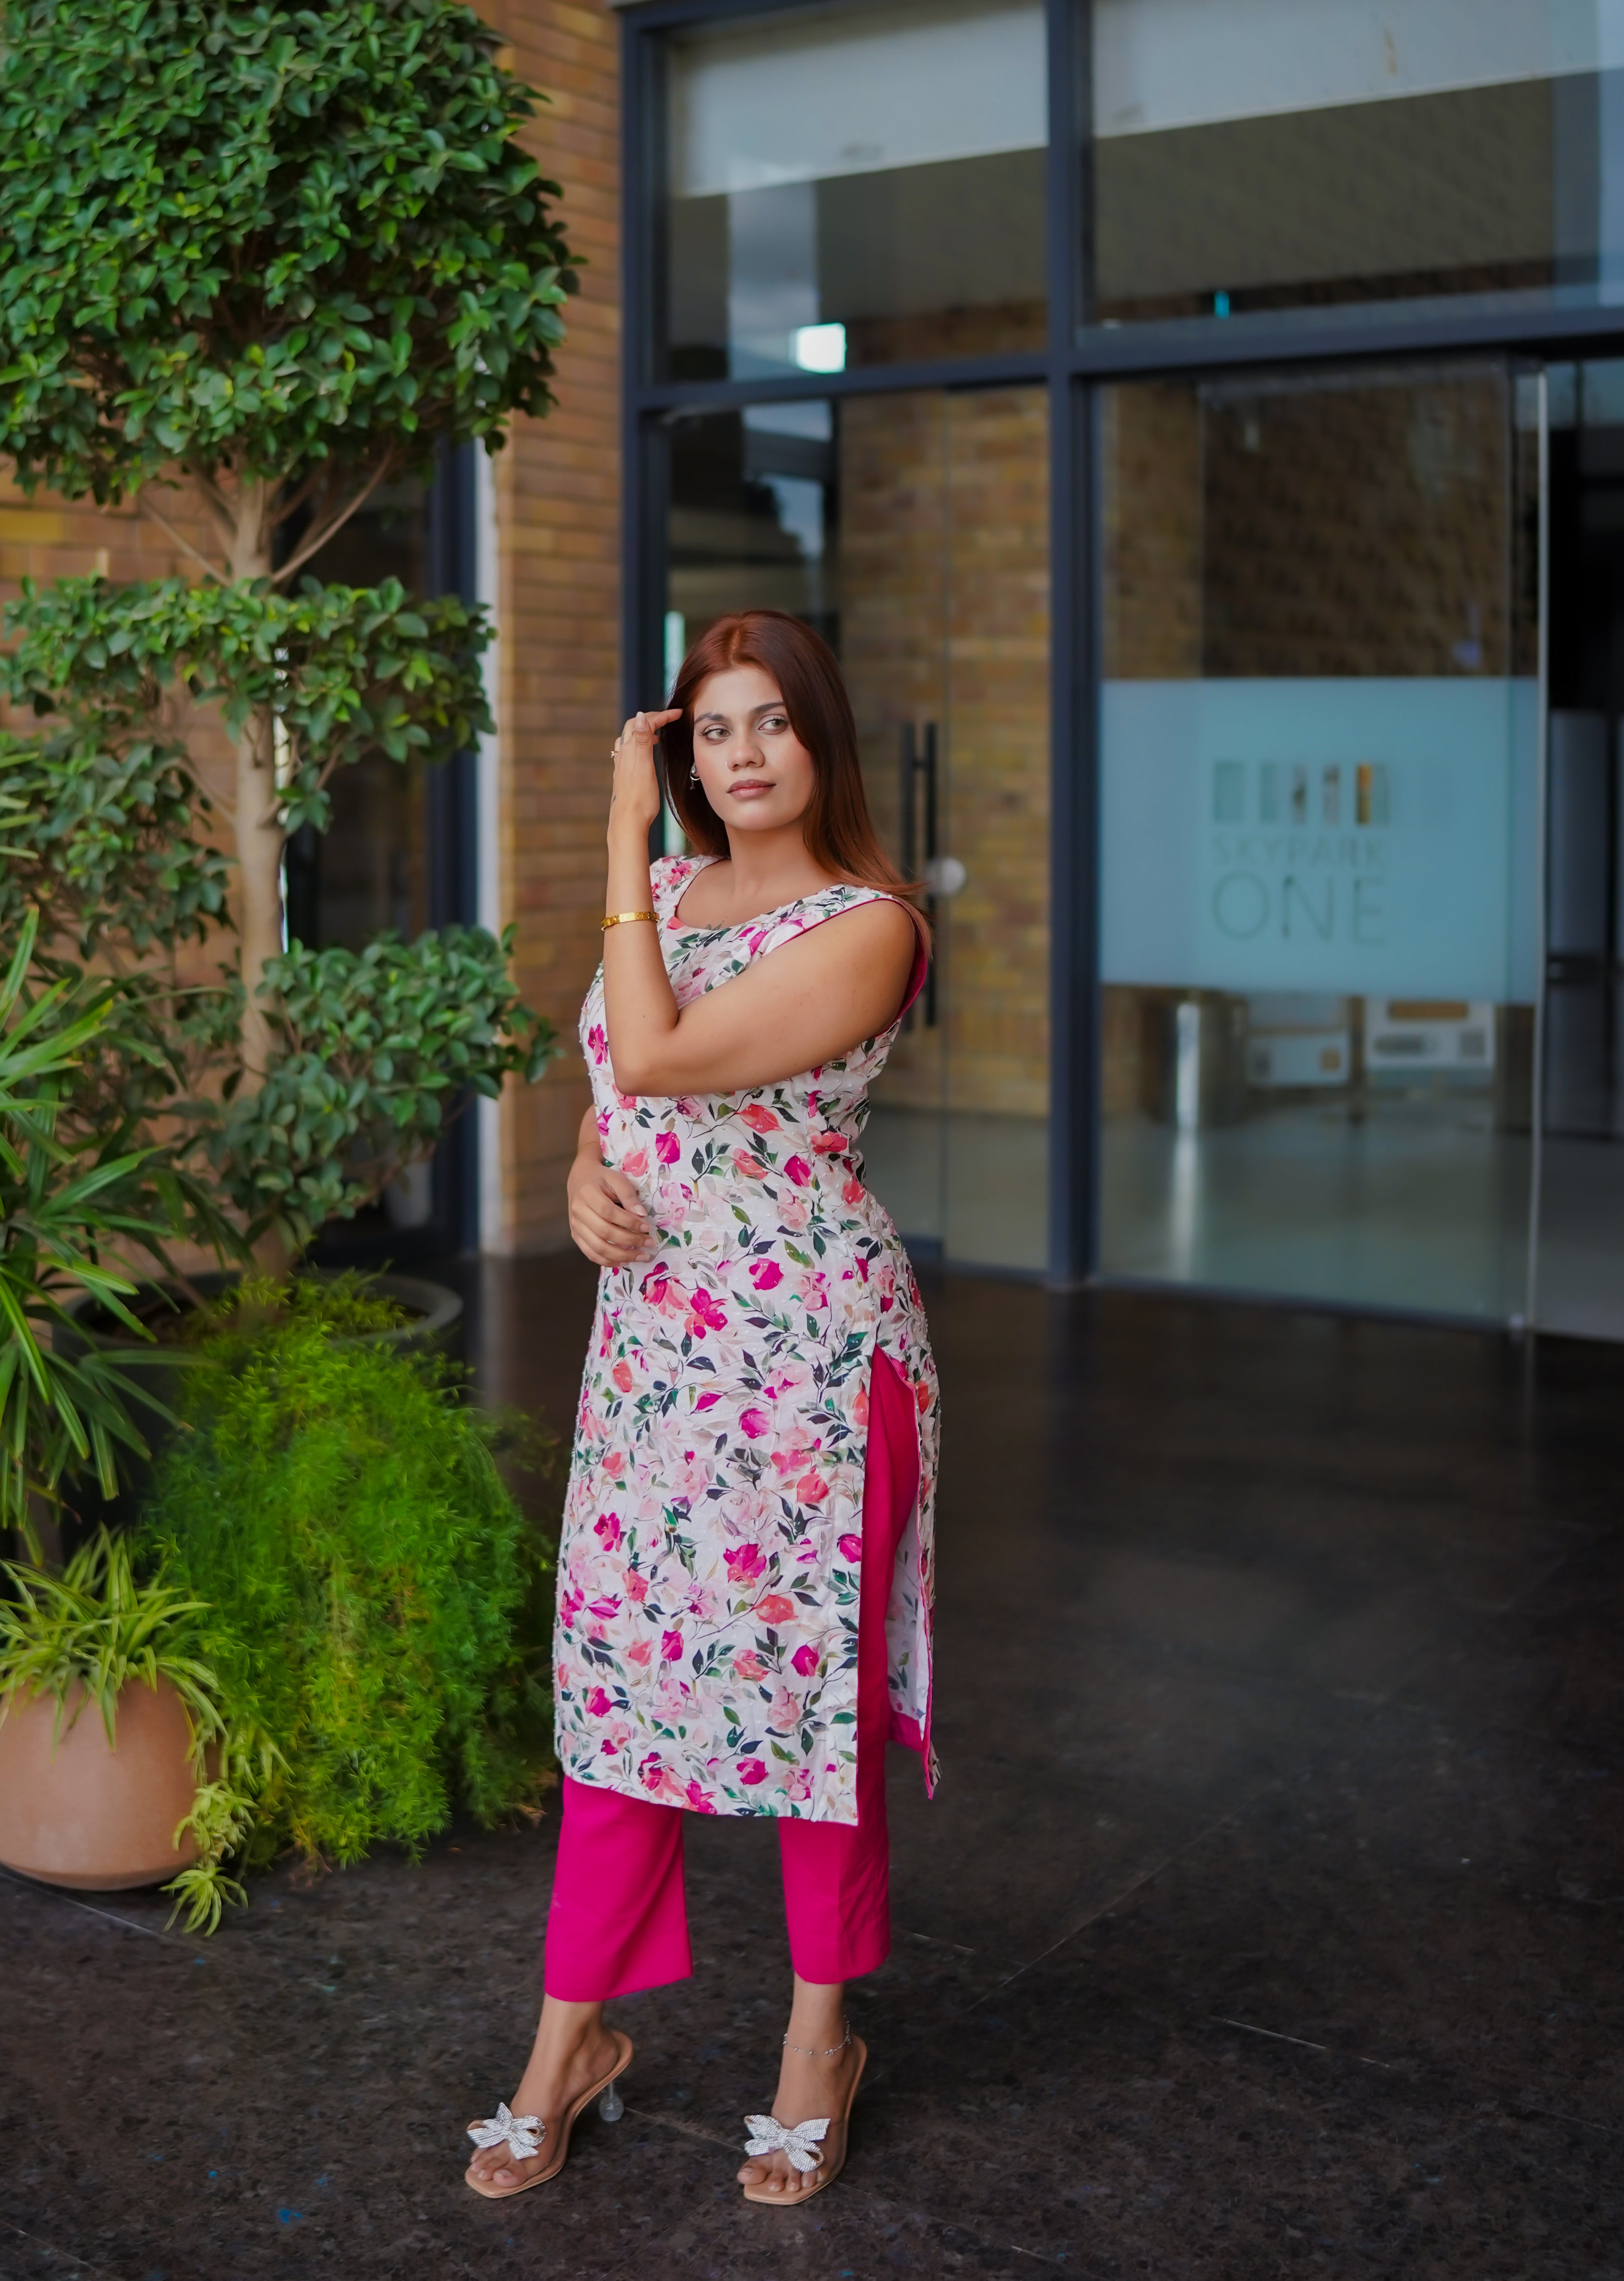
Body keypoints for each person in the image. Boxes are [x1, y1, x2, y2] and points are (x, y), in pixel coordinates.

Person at [463, 609, 940, 2208]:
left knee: (813, 1715)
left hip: (809, 1357)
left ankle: (820, 2048)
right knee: (620, 1690)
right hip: (658, 1350)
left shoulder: (870, 924)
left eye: (770, 725)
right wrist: (593, 1176)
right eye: (712, 727)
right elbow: (617, 1087)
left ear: (822, 743)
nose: (740, 756)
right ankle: (566, 2051)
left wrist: (611, 821)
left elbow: (659, 1050)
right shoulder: (665, 895)